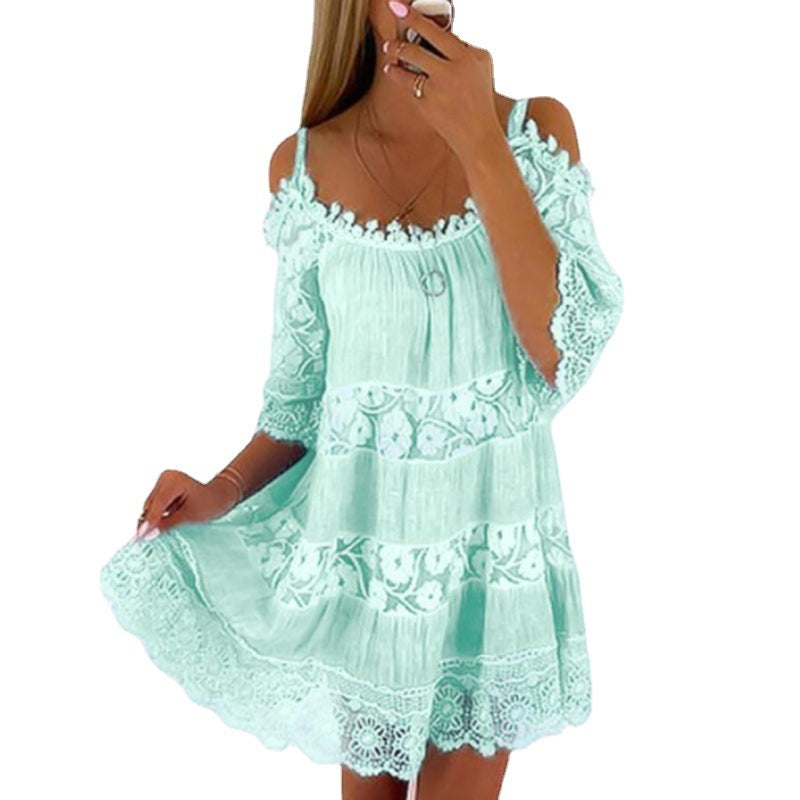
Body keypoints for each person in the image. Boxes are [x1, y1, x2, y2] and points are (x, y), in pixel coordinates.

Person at [99, 1, 624, 798]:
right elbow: (301, 401)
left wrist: (480, 141)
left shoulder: (533, 134)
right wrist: (222, 489)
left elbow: (562, 351)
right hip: (366, 582)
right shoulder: (303, 170)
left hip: (492, 578)